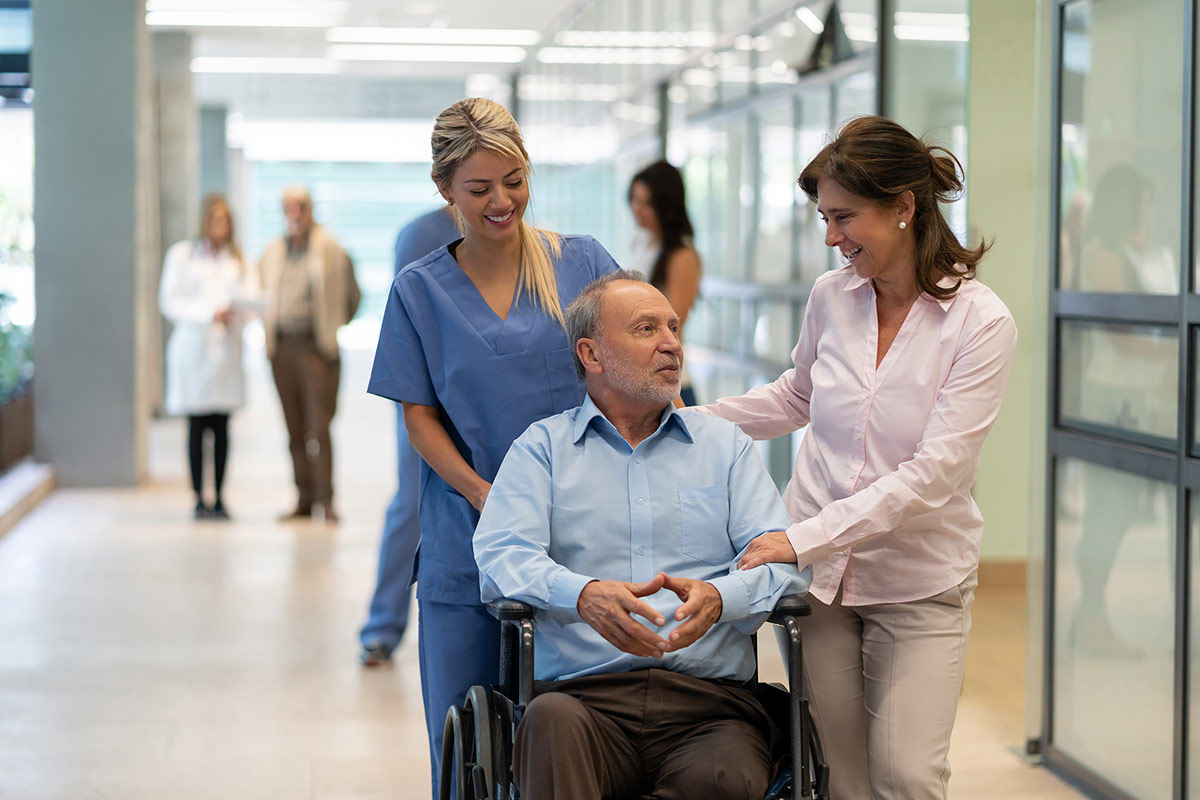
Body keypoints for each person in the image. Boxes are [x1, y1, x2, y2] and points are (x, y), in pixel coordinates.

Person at [698, 116, 1018, 799]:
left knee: (905, 775)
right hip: (820, 586)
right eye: (824, 217)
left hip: (916, 580)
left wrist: (798, 538)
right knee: (839, 778)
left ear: (904, 207)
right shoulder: (830, 297)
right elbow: (797, 396)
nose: (830, 237)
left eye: (844, 217)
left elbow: (934, 475)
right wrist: (685, 424)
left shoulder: (980, 323)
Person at [366, 97, 621, 798]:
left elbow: (638, 364)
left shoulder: (580, 265)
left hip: (580, 542)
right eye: (479, 189)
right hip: (465, 541)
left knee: (569, 751)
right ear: (444, 190)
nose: (501, 201)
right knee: (463, 751)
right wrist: (484, 493)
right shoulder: (419, 292)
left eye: (514, 181)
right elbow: (418, 418)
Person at [474, 272, 809, 800]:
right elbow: (501, 556)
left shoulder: (726, 448)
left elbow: (782, 561)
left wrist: (722, 598)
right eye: (646, 328)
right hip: (583, 701)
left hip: (710, 707)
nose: (671, 342)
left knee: (728, 775)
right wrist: (581, 596)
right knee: (549, 726)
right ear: (592, 353)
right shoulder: (543, 449)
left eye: (673, 327)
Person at [359, 205, 460, 667]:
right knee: (412, 505)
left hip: (489, 400)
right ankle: (382, 625)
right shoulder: (420, 236)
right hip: (430, 400)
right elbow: (407, 331)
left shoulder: (524, 239)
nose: (498, 199)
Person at [258, 186, 360, 523]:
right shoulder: (273, 251)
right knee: (294, 427)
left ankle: (326, 500)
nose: (294, 215)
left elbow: (353, 296)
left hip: (316, 348)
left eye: (299, 207)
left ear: (310, 209)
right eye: (287, 208)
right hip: (282, 347)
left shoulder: (330, 248)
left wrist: (332, 326)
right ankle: (303, 498)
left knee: (320, 426)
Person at [159, 194, 259, 520]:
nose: (220, 226)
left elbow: (253, 301)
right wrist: (206, 313)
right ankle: (198, 499)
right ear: (205, 222)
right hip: (193, 350)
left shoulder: (239, 259)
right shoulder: (182, 256)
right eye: (215, 220)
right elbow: (170, 301)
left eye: (225, 220)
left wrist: (236, 312)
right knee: (196, 425)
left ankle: (219, 498)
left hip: (226, 351)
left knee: (222, 426)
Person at [627, 161, 703, 405]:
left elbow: (673, 327)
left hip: (671, 383)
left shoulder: (682, 255)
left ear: (667, 207)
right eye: (634, 199)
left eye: (646, 203)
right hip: (646, 379)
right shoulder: (644, 244)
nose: (636, 209)